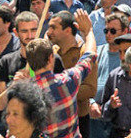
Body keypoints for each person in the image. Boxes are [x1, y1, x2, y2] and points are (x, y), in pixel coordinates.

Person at [29, 9, 96, 138]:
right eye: (48, 28)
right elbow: (89, 57)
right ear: (50, 59)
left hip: (79, 118)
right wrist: (63, 95)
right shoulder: (53, 53)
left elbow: (90, 89)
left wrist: (60, 96)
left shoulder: (82, 51)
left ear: (68, 30)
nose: (49, 32)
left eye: (53, 28)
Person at [0, 12, 65, 111]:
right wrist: (14, 85)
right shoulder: (6, 61)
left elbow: (62, 96)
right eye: (24, 31)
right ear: (16, 32)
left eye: (33, 30)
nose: (30, 35)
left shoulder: (52, 59)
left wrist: (38, 82)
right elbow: (0, 105)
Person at [89, 12, 129, 137]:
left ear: (125, 31)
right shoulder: (97, 52)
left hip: (117, 118)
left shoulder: (129, 56)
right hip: (95, 117)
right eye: (106, 30)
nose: (108, 34)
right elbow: (85, 81)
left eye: (113, 31)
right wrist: (91, 103)